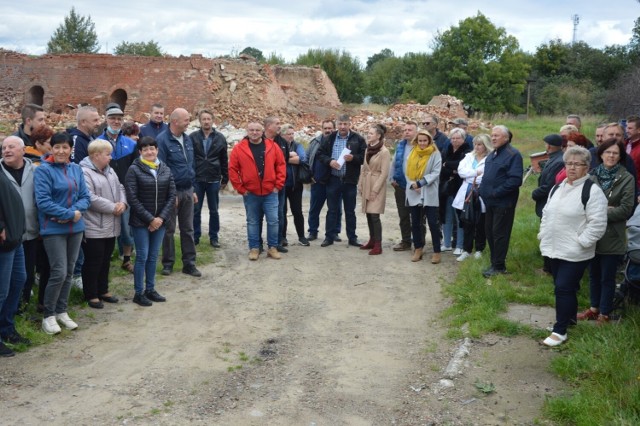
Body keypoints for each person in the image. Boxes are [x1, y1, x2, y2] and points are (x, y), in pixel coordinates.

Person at [539, 146, 607, 346]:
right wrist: (543, 234)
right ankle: (569, 319)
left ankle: (560, 331)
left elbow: (598, 223)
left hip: (576, 251)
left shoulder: (592, 191)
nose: (572, 168)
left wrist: (582, 242)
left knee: (563, 288)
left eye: (578, 164)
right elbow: (547, 214)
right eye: (569, 163)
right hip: (553, 246)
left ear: (587, 168)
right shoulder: (557, 187)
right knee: (563, 286)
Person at [34, 132, 90, 334]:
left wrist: (74, 214)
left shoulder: (75, 169)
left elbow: (85, 196)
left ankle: (61, 311)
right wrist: (69, 214)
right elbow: (43, 201)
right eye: (56, 147)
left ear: (70, 149)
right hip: (53, 229)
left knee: (69, 270)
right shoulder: (43, 171)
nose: (60, 151)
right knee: (58, 271)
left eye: (65, 147)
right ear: (51, 148)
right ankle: (48, 316)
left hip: (75, 228)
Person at [577, 139, 634, 323]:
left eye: (615, 153)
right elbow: (582, 203)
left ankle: (605, 313)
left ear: (620, 157)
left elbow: (626, 209)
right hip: (592, 234)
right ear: (600, 154)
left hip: (613, 236)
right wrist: (604, 208)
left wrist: (599, 212)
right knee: (594, 274)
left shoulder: (627, 179)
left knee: (607, 277)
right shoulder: (592, 176)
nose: (611, 156)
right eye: (607, 152)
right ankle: (594, 308)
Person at [125, 137, 176, 307]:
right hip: (141, 222)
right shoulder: (134, 170)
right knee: (142, 256)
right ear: (140, 152)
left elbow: (171, 195)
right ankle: (138, 293)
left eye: (152, 148)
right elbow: (132, 197)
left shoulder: (165, 169)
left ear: (157, 150)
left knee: (153, 256)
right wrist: (150, 219)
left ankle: (150, 289)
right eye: (145, 149)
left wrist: (160, 218)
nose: (149, 152)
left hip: (160, 221)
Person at [80, 140, 127, 309]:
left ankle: (103, 290)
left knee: (106, 259)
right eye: (108, 154)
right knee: (94, 260)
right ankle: (91, 294)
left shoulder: (110, 170)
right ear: (96, 155)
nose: (110, 157)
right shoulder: (84, 172)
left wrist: (123, 203)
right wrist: (113, 207)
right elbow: (90, 197)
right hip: (94, 224)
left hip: (111, 223)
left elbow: (120, 187)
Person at [228, 122, 286, 260]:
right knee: (253, 221)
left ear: (262, 132)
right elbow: (232, 169)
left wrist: (278, 185)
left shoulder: (273, 146)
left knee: (273, 221)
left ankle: (272, 248)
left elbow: (281, 165)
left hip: (270, 192)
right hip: (251, 193)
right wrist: (240, 188)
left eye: (257, 130)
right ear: (247, 131)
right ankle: (254, 248)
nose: (254, 132)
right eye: (251, 130)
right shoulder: (239, 148)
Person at [157, 108, 201, 277]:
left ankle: (189, 264)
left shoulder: (188, 139)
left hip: (188, 190)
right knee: (169, 229)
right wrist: (171, 193)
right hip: (172, 193)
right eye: (186, 120)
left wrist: (194, 189)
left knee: (188, 229)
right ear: (175, 121)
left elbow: (191, 166)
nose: (188, 122)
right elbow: (162, 168)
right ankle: (168, 263)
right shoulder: (162, 140)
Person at [97, 104, 137, 274]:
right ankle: (102, 261)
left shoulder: (130, 143)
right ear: (106, 119)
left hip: (124, 192)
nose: (116, 121)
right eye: (112, 118)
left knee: (127, 228)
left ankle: (126, 259)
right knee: (104, 228)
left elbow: (135, 167)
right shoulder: (97, 142)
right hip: (104, 192)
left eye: (119, 119)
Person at [478, 125, 523, 277]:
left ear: (506, 138)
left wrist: (496, 193)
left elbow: (515, 180)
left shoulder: (513, 154)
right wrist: (482, 191)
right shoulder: (492, 155)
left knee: (500, 234)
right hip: (489, 202)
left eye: (497, 135)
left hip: (503, 203)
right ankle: (494, 263)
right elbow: (487, 176)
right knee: (490, 233)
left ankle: (499, 267)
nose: (493, 138)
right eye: (492, 135)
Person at [1, 136, 38, 319]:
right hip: (6, 236)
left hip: (26, 232)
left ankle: (14, 317)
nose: (6, 150)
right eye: (4, 147)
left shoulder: (35, 169)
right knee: (4, 285)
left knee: (22, 278)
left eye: (11, 147)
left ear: (23, 150)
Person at [317, 114, 367, 248]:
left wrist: (353, 158)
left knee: (350, 211)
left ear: (350, 124)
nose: (343, 127)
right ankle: (329, 237)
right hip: (333, 179)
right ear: (337, 125)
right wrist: (330, 161)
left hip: (349, 180)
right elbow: (320, 154)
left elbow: (364, 157)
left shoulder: (358, 139)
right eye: (340, 124)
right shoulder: (330, 138)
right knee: (332, 210)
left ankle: (352, 238)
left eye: (345, 124)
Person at [0, 151, 26, 357]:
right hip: (4, 239)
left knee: (18, 281)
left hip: (15, 237)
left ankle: (7, 329)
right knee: (1, 291)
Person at [190, 109, 229, 247]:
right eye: (204, 119)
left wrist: (225, 178)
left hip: (213, 178)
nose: (206, 121)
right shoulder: (193, 137)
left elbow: (224, 159)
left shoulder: (220, 138)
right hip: (198, 179)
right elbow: (190, 159)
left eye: (208, 119)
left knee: (214, 210)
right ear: (200, 121)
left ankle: (214, 237)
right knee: (195, 210)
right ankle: (195, 236)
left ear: (213, 121)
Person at [24, 126, 53, 311]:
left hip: (43, 224)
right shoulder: (34, 166)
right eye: (50, 143)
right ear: (39, 144)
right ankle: (27, 302)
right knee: (32, 266)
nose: (53, 147)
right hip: (35, 224)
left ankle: (41, 302)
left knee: (45, 266)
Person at [452, 134, 493, 261]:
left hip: (481, 191)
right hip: (466, 191)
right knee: (467, 221)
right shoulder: (468, 157)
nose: (477, 146)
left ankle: (479, 249)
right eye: (475, 144)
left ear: (485, 145)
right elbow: (461, 171)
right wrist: (475, 173)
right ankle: (466, 249)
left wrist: (471, 175)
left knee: (480, 222)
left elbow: (486, 176)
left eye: (480, 144)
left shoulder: (491, 158)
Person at [405, 130, 442, 263]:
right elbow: (407, 171)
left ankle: (437, 251)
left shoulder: (435, 154)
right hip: (414, 192)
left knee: (432, 223)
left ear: (429, 141)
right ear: (416, 141)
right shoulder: (412, 153)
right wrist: (413, 185)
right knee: (415, 222)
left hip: (429, 191)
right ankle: (418, 248)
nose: (422, 143)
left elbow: (435, 172)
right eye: (420, 141)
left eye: (424, 141)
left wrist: (421, 183)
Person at [306, 120, 342, 241]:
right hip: (317, 182)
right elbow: (307, 160)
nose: (328, 130)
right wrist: (309, 176)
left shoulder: (340, 142)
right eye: (325, 128)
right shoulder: (315, 142)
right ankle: (312, 231)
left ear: (334, 128)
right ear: (322, 129)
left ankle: (334, 232)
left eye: (330, 128)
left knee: (336, 209)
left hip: (335, 182)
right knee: (314, 208)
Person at [358, 124, 390, 255]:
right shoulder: (368, 149)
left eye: (371, 133)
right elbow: (364, 168)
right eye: (368, 133)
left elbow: (384, 174)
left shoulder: (384, 152)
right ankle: (371, 240)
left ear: (378, 135)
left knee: (375, 215)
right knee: (368, 213)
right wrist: (360, 184)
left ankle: (378, 244)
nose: (368, 135)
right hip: (366, 183)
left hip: (377, 184)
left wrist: (375, 190)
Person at [440, 128, 471, 255]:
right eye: (452, 138)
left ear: (463, 139)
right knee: (446, 217)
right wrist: (452, 168)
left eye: (457, 138)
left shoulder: (468, 151)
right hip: (446, 189)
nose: (455, 140)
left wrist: (448, 165)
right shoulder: (447, 149)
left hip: (460, 189)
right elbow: (442, 167)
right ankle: (446, 243)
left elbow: (462, 167)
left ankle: (459, 245)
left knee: (459, 218)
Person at [390, 121, 418, 251]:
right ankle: (406, 241)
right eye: (405, 130)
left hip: (416, 187)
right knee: (403, 215)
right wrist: (392, 178)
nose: (407, 132)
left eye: (410, 130)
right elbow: (394, 162)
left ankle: (419, 243)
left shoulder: (421, 146)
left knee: (417, 216)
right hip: (400, 185)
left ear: (416, 132)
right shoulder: (400, 145)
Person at [263, 116, 290, 252]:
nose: (280, 126)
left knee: (279, 214)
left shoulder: (283, 142)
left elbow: (283, 164)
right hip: (261, 185)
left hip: (278, 186)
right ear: (268, 126)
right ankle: (257, 243)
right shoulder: (258, 140)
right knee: (258, 216)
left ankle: (277, 242)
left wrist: (278, 183)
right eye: (277, 123)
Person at [280, 124, 309, 246]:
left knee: (297, 211)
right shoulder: (278, 145)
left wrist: (286, 157)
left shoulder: (298, 145)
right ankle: (282, 237)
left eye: (292, 133)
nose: (291, 136)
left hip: (295, 185)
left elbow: (302, 159)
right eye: (288, 134)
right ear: (282, 135)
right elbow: (277, 159)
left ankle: (301, 236)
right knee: (282, 212)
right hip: (281, 185)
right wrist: (292, 155)